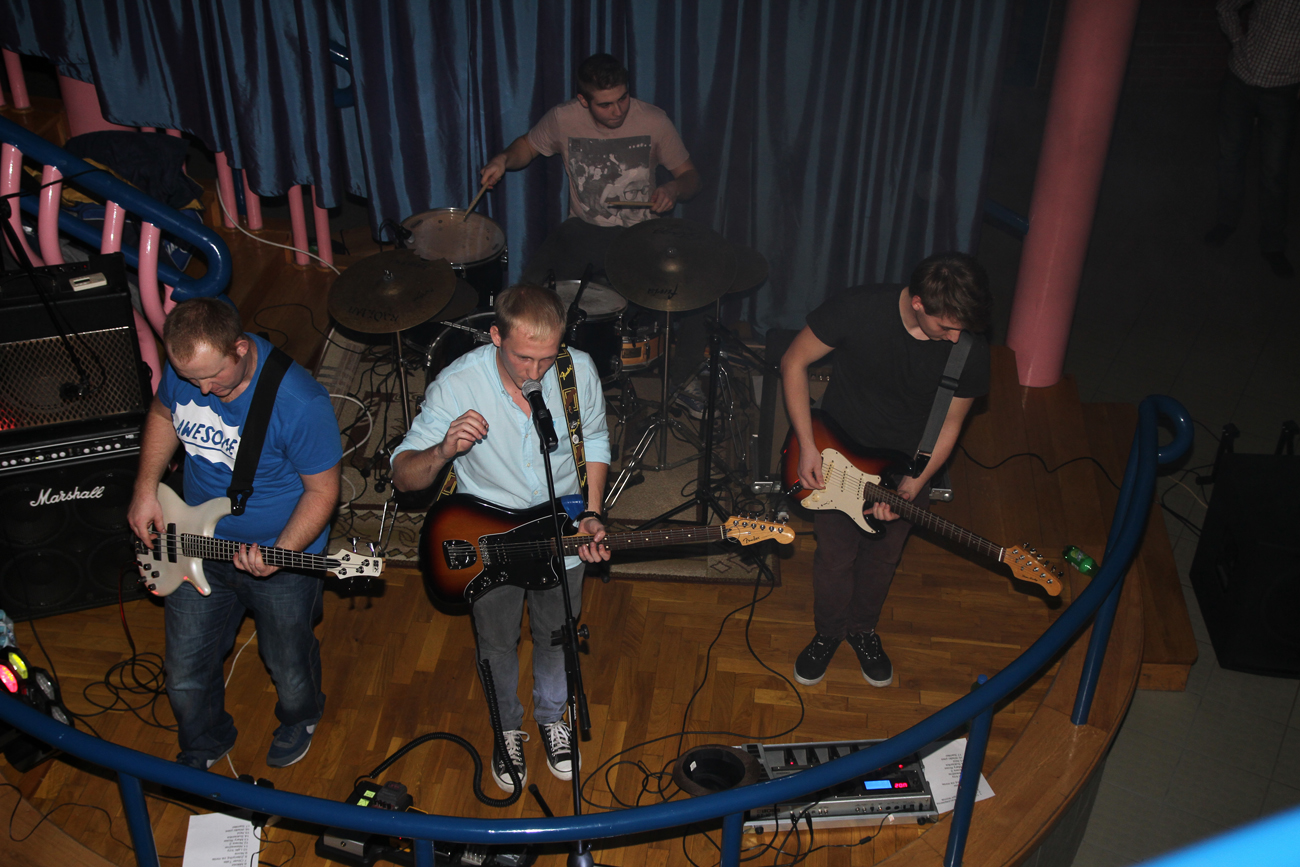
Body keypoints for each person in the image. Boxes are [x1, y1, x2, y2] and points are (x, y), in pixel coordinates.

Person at [391, 284, 611, 792]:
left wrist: (593, 512)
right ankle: (507, 728)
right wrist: (443, 450)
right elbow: (403, 476)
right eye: (523, 358)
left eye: (547, 358)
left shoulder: (577, 372)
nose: (536, 371)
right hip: (487, 537)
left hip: (562, 527)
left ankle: (552, 717)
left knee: (557, 633)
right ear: (495, 336)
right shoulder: (457, 384)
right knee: (496, 641)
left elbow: (596, 437)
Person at [127, 298, 341, 770]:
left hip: (279, 551)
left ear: (240, 348)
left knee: (287, 661)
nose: (202, 389)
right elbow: (163, 415)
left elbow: (324, 491)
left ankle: (301, 716)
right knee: (184, 669)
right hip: (192, 542)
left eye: (212, 377)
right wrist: (145, 489)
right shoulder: (187, 370)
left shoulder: (299, 403)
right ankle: (204, 741)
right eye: (191, 379)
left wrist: (282, 552)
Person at [780, 252, 992, 688]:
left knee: (882, 558)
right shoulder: (858, 308)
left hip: (908, 466)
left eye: (962, 328)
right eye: (946, 327)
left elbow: (951, 424)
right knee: (835, 557)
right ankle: (828, 633)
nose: (956, 337)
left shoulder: (968, 350)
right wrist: (807, 446)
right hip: (836, 452)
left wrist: (914, 483)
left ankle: (862, 631)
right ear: (918, 303)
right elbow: (793, 362)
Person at [479, 53, 701, 284]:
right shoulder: (563, 118)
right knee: (532, 292)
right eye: (605, 105)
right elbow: (527, 146)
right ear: (584, 101)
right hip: (584, 229)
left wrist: (674, 189)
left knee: (656, 295)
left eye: (623, 98)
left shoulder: (654, 120)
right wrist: (503, 159)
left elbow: (691, 177)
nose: (618, 111)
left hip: (642, 232)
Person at [1205, 0, 1300, 278]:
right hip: (1239, 81)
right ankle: (1226, 221)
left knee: (1275, 172)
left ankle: (1273, 244)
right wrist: (1239, 42)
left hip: (1283, 90)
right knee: (1230, 157)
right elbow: (1225, 5)